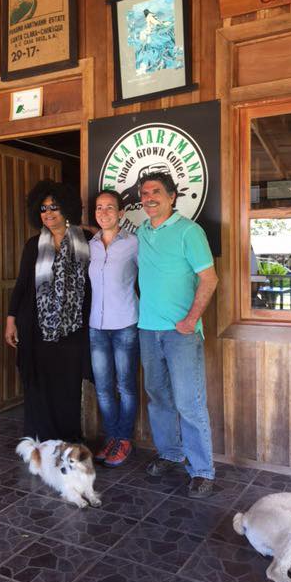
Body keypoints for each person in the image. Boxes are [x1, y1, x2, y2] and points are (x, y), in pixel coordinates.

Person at [136, 171, 218, 497]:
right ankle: (171, 453)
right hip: (147, 330)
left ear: (172, 197)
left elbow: (209, 279)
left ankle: (202, 470)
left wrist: (190, 319)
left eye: (156, 191)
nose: (149, 197)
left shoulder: (189, 232)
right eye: (144, 192)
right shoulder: (141, 231)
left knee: (189, 402)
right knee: (158, 398)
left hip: (181, 334)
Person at [5, 180, 91, 442]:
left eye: (54, 207)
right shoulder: (33, 245)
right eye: (43, 209)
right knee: (39, 385)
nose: (49, 213)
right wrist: (11, 320)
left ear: (66, 208)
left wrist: (87, 228)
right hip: (36, 327)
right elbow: (22, 285)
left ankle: (68, 440)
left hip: (74, 328)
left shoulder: (86, 240)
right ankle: (39, 440)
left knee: (68, 386)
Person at [88, 190, 139, 467]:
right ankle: (111, 437)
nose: (104, 212)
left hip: (125, 324)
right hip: (96, 325)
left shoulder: (134, 243)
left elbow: (151, 275)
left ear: (121, 213)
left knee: (126, 386)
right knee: (104, 388)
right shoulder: (91, 244)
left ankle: (124, 439)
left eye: (110, 208)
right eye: (99, 208)